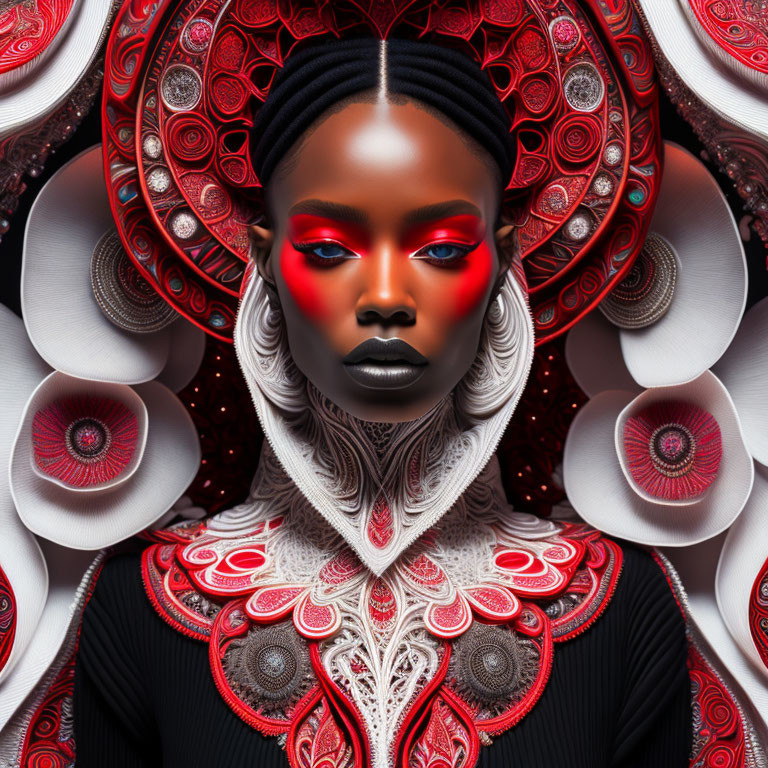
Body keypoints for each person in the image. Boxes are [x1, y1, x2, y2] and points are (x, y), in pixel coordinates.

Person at [71, 36, 693, 768]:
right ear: (265, 261)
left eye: (441, 249)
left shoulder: (616, 608)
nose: (389, 300)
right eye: (332, 249)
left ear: (501, 261)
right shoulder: (145, 607)